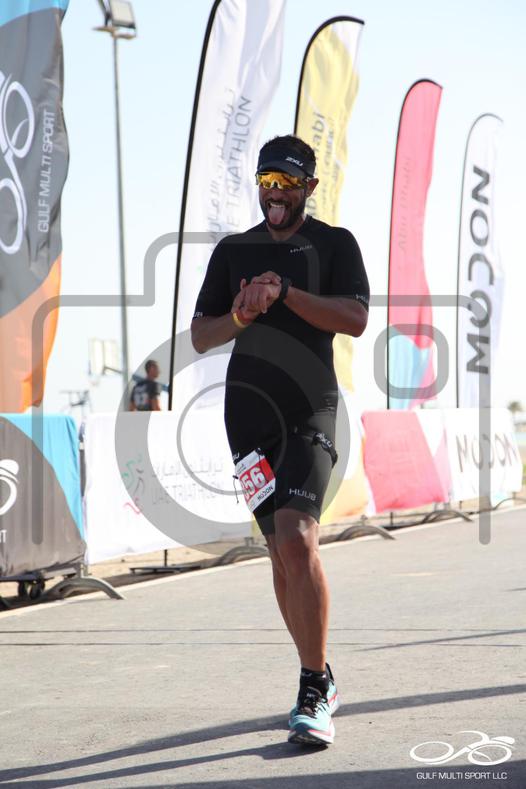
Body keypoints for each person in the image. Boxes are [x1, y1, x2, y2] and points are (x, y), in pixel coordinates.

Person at [191, 134, 369, 746]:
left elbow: (355, 319)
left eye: (287, 183)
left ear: (308, 188)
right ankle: (318, 672)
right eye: (266, 181)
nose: (275, 193)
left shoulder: (335, 244)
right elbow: (201, 335)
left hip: (311, 409)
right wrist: (242, 313)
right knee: (278, 552)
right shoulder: (233, 251)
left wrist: (286, 292)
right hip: (247, 417)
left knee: (298, 538)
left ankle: (313, 686)